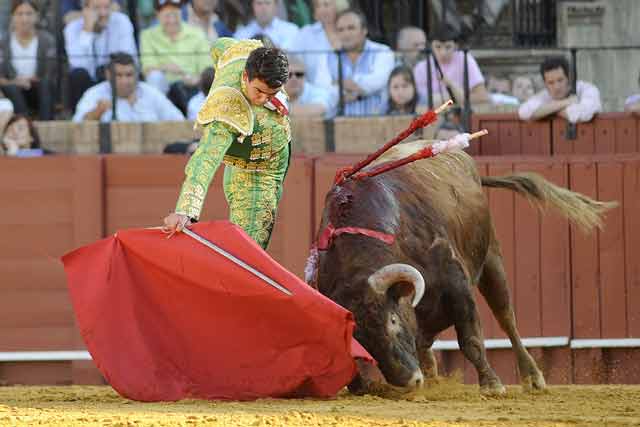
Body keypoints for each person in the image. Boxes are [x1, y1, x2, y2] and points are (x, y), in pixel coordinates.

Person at [162, 38, 291, 250]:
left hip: (267, 164)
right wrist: (187, 210)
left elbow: (218, 45)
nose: (263, 99)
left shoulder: (242, 53)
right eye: (258, 91)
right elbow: (205, 159)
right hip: (253, 178)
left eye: (272, 94)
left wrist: (220, 73)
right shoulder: (228, 109)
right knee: (247, 256)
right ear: (245, 76)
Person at [64, 0, 138, 112]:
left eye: (107, 7)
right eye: (97, 8)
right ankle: (80, 116)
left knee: (111, 69)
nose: (103, 13)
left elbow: (125, 59)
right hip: (87, 81)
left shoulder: (121, 21)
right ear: (85, 10)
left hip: (113, 77)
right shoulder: (72, 28)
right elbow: (78, 64)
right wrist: (87, 31)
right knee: (78, 74)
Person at [141, 0, 212, 114]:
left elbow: (206, 69)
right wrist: (165, 67)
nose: (171, 20)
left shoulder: (196, 33)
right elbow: (147, 69)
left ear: (180, 13)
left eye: (174, 14)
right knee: (155, 78)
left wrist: (195, 79)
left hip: (191, 88)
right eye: (167, 15)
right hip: (163, 90)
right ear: (158, 15)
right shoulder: (148, 35)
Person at [73, 52, 184, 122]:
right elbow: (76, 128)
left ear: (136, 74)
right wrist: (97, 112)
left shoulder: (150, 93)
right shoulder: (94, 94)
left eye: (129, 75)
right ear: (108, 75)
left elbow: (179, 121)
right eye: (119, 75)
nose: (124, 81)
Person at [324, 8, 395, 116]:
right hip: (340, 125)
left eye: (351, 28)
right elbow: (325, 90)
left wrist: (341, 83)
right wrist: (362, 89)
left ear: (364, 30)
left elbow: (379, 81)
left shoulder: (382, 51)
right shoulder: (330, 56)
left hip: (377, 123)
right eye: (341, 30)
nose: (346, 34)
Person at [0, 0, 57, 120]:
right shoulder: (3, 43)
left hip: (38, 89)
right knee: (12, 89)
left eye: (29, 13)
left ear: (36, 16)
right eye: (19, 14)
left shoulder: (46, 40)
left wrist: (32, 80)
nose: (24, 19)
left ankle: (46, 124)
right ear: (12, 17)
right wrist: (16, 82)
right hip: (13, 91)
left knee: (46, 85)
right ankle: (23, 123)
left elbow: (50, 72)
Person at [413, 25, 489, 107]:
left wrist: (452, 85)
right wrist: (454, 97)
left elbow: (482, 97)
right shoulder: (421, 68)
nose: (443, 52)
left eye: (448, 47)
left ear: (456, 46)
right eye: (438, 47)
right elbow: (419, 101)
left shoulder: (465, 59)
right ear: (431, 46)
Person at [518, 56, 602, 123]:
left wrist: (548, 110)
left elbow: (583, 114)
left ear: (569, 78)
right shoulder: (545, 94)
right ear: (545, 84)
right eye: (551, 82)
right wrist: (566, 102)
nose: (556, 87)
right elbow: (524, 112)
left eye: (560, 80)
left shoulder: (587, 89)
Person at [290, 0, 349, 86]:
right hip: (314, 92)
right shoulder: (306, 33)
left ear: (338, 7)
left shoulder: (348, 31)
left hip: (346, 91)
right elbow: (293, 61)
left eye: (326, 4)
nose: (322, 9)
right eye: (318, 6)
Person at [233, 0, 299, 50]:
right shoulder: (241, 34)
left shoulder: (291, 30)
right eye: (259, 3)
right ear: (252, 5)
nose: (263, 8)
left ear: (276, 6)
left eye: (267, 3)